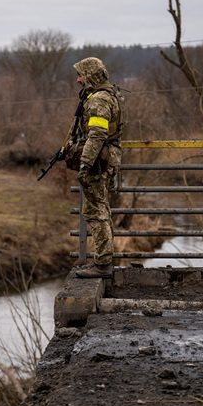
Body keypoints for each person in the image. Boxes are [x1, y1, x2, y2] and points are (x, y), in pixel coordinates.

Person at [63, 57, 124, 278]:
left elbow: (97, 136)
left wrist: (85, 163)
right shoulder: (106, 94)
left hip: (98, 161)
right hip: (104, 159)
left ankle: (103, 264)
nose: (78, 79)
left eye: (81, 75)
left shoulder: (98, 100)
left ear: (91, 76)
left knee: (95, 211)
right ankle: (103, 260)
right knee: (100, 208)